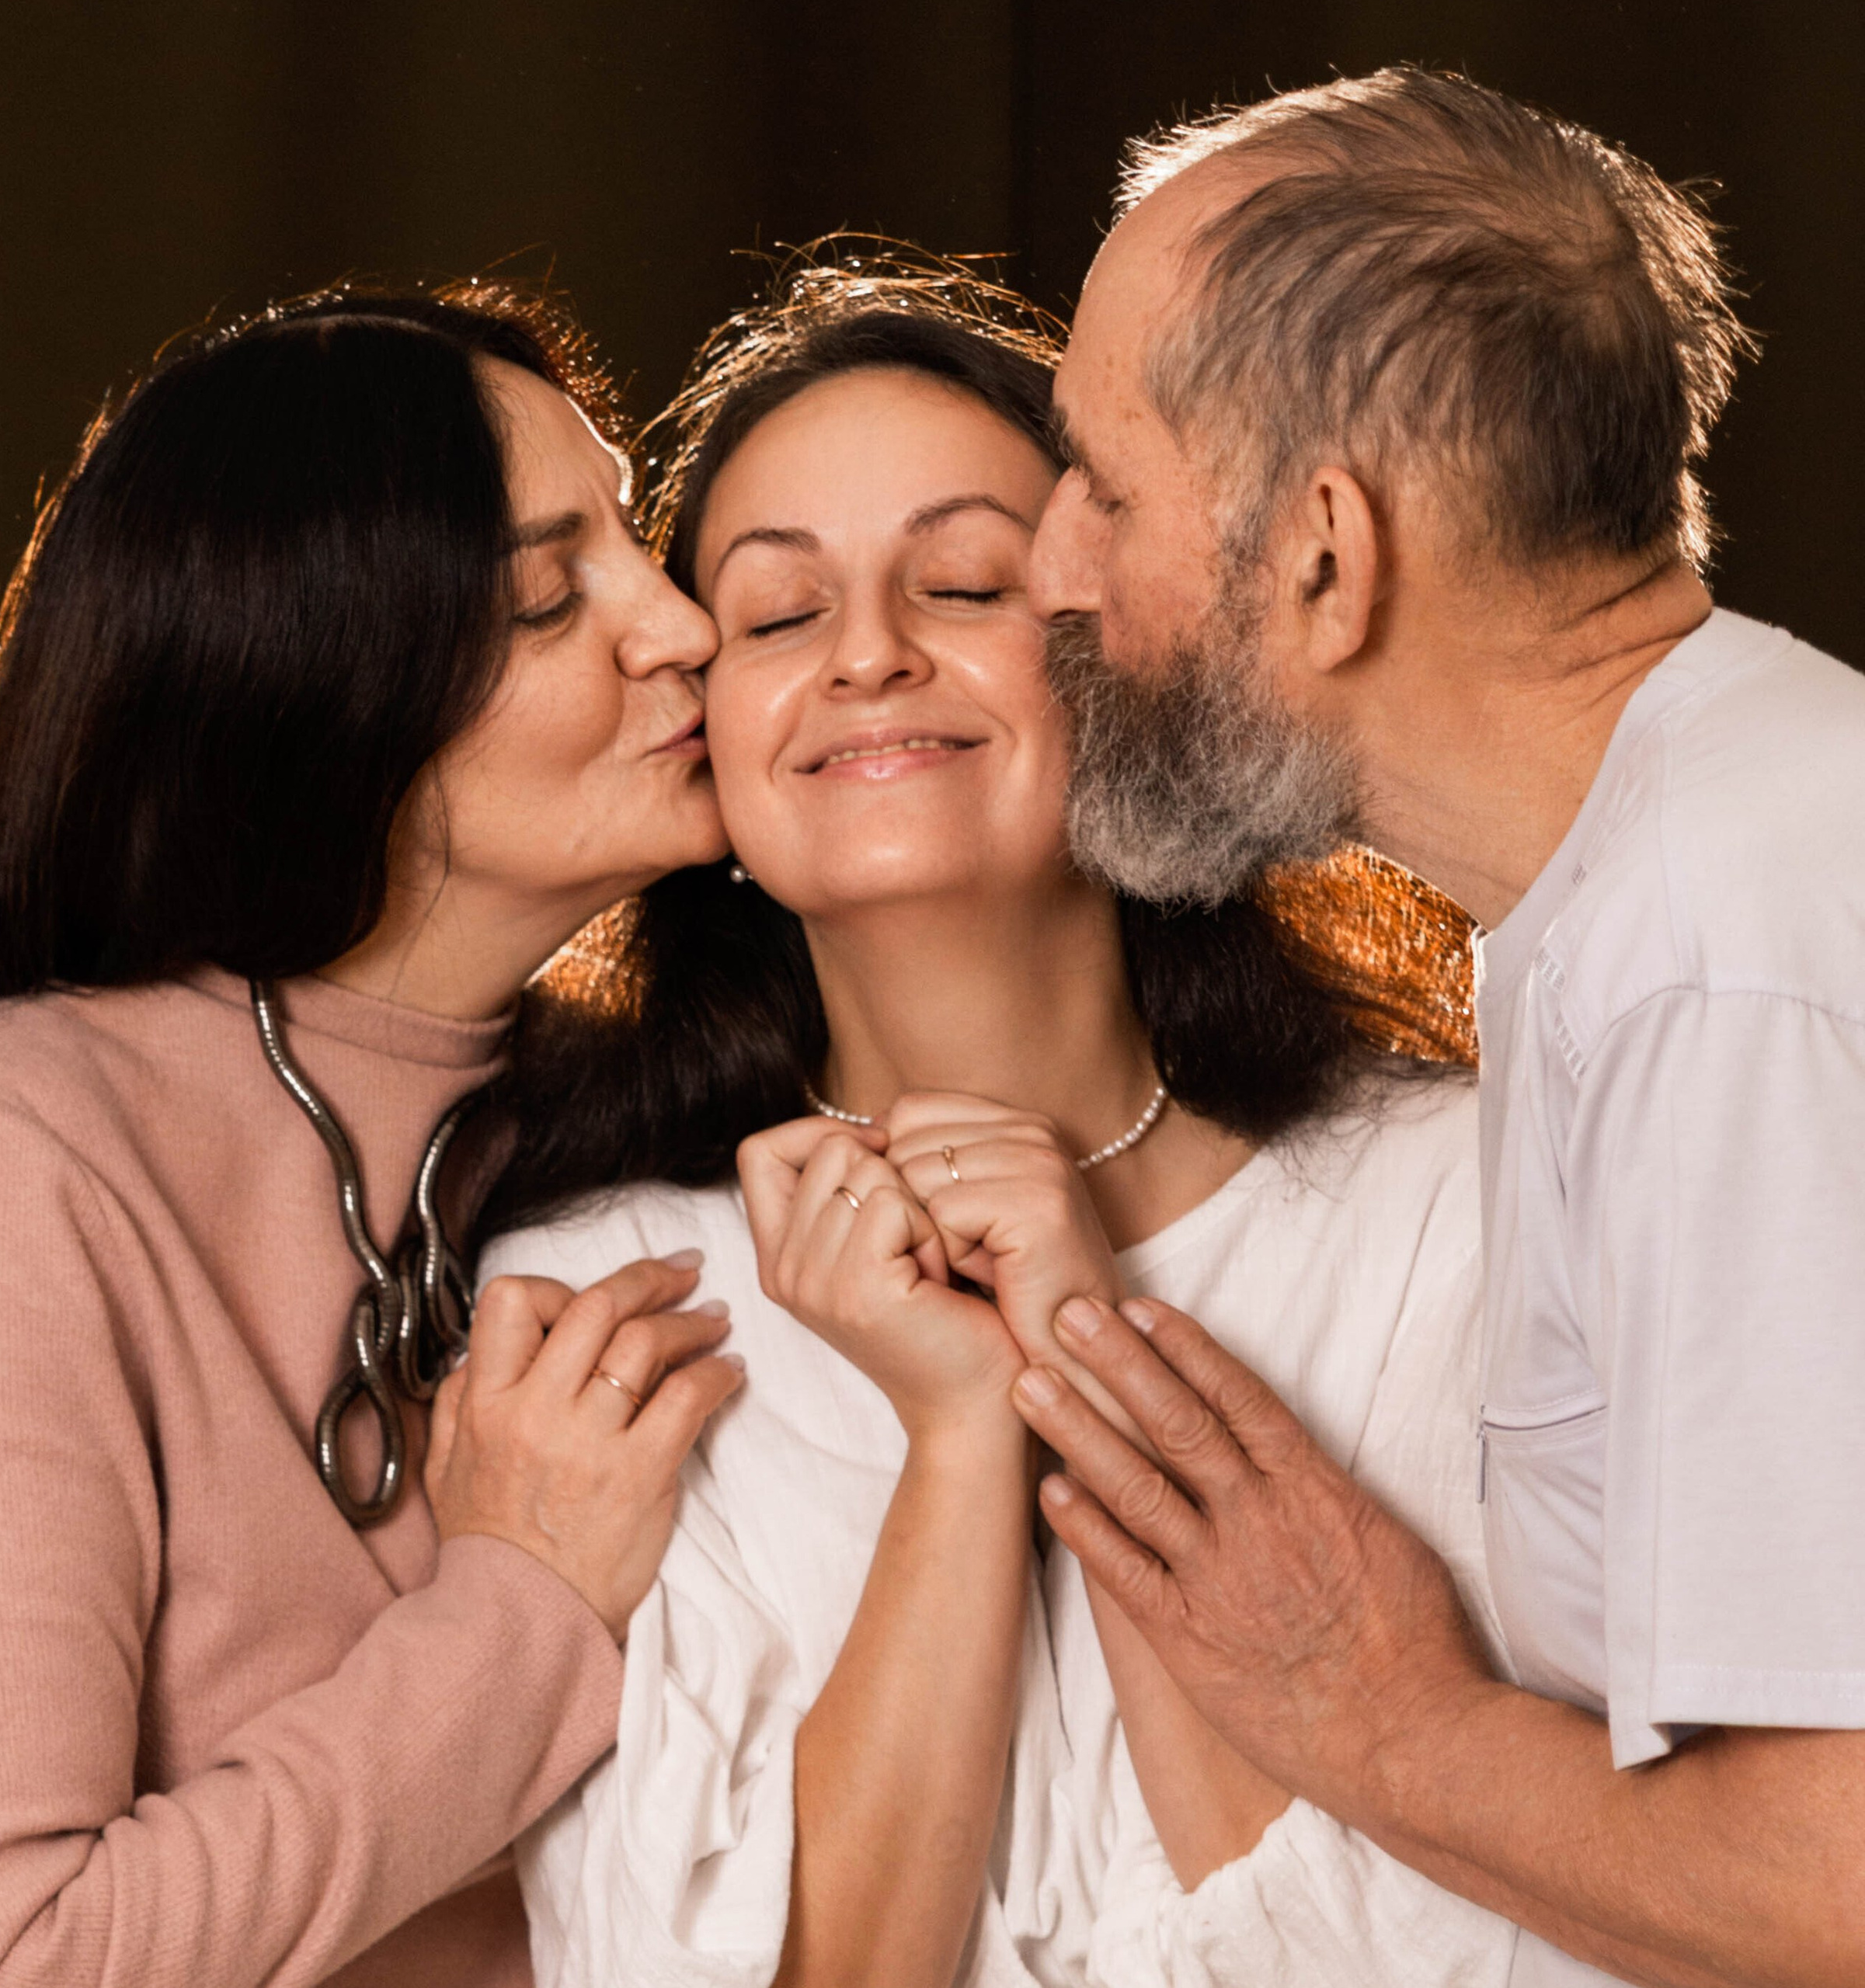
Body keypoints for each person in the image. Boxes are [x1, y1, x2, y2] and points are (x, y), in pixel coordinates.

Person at [479, 255, 1515, 1988]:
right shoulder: (603, 1311)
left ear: (1135, 664)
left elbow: (1434, 1952)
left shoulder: (1453, 1208)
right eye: (777, 613)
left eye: (962, 583)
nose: (869, 655)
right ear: (703, 734)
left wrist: (1078, 1333)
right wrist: (962, 1433)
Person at [1013, 65, 1865, 1988]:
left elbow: (1840, 1887)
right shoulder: (1661, 877)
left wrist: (1365, 1707)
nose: (1054, 565)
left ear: (1321, 551)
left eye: (1108, 485)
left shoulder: (1717, 950)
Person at [0, 285, 746, 1988]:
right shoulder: (2, 1155)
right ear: (321, 678)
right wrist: (522, 1607)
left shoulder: (669, 1126)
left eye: (638, 543)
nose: (680, 624)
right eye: (549, 595)